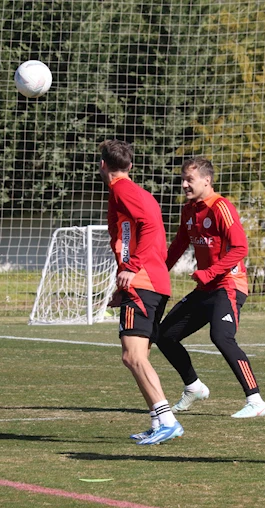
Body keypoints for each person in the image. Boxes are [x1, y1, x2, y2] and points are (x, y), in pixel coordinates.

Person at [157, 158, 265, 418]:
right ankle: (194, 387)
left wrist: (210, 272)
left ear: (206, 180)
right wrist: (157, 272)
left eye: (189, 180)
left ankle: (256, 400)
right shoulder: (189, 210)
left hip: (229, 285)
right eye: (183, 179)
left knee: (221, 337)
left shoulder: (221, 207)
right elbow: (178, 246)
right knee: (164, 335)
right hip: (206, 288)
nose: (184, 184)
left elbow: (241, 248)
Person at [99, 139, 184, 445]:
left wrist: (132, 269)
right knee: (138, 356)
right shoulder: (131, 193)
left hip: (144, 282)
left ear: (103, 165)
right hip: (149, 282)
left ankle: (168, 420)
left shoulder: (123, 190)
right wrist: (122, 283)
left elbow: (150, 227)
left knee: (132, 356)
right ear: (130, 166)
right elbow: (137, 236)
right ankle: (158, 420)